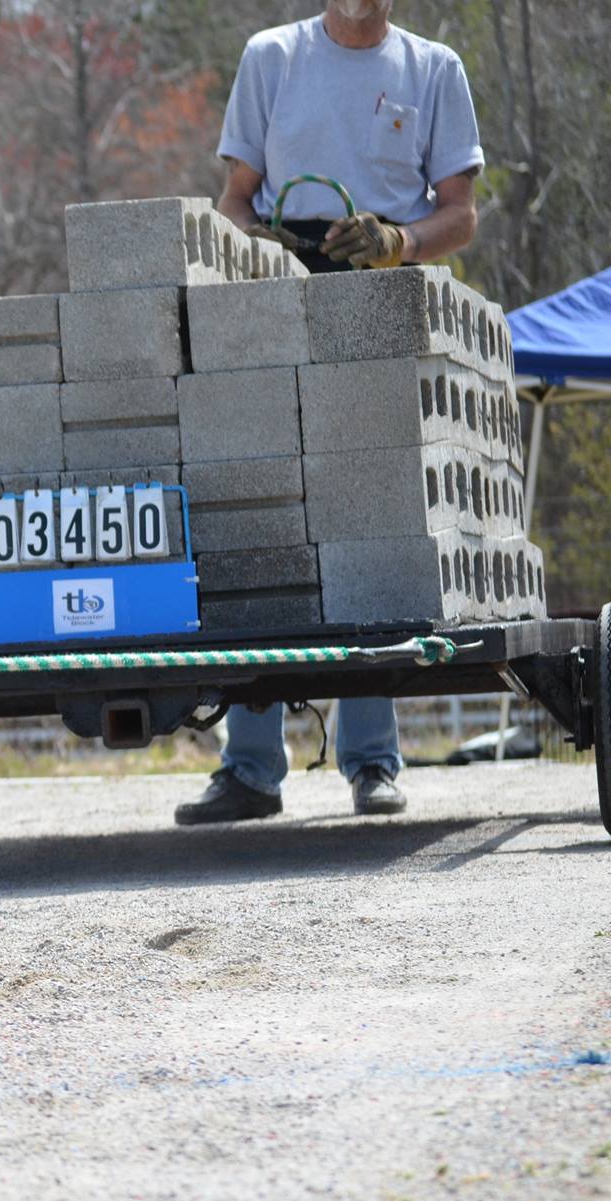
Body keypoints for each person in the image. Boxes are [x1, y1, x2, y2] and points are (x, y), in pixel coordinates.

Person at [177, 0, 483, 827]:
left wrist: (400, 243)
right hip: (278, 280)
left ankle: (373, 762)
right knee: (259, 505)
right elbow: (235, 199)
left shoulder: (432, 69)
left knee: (370, 511)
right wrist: (255, 257)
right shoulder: (271, 57)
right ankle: (250, 769)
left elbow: (460, 211)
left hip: (380, 286)